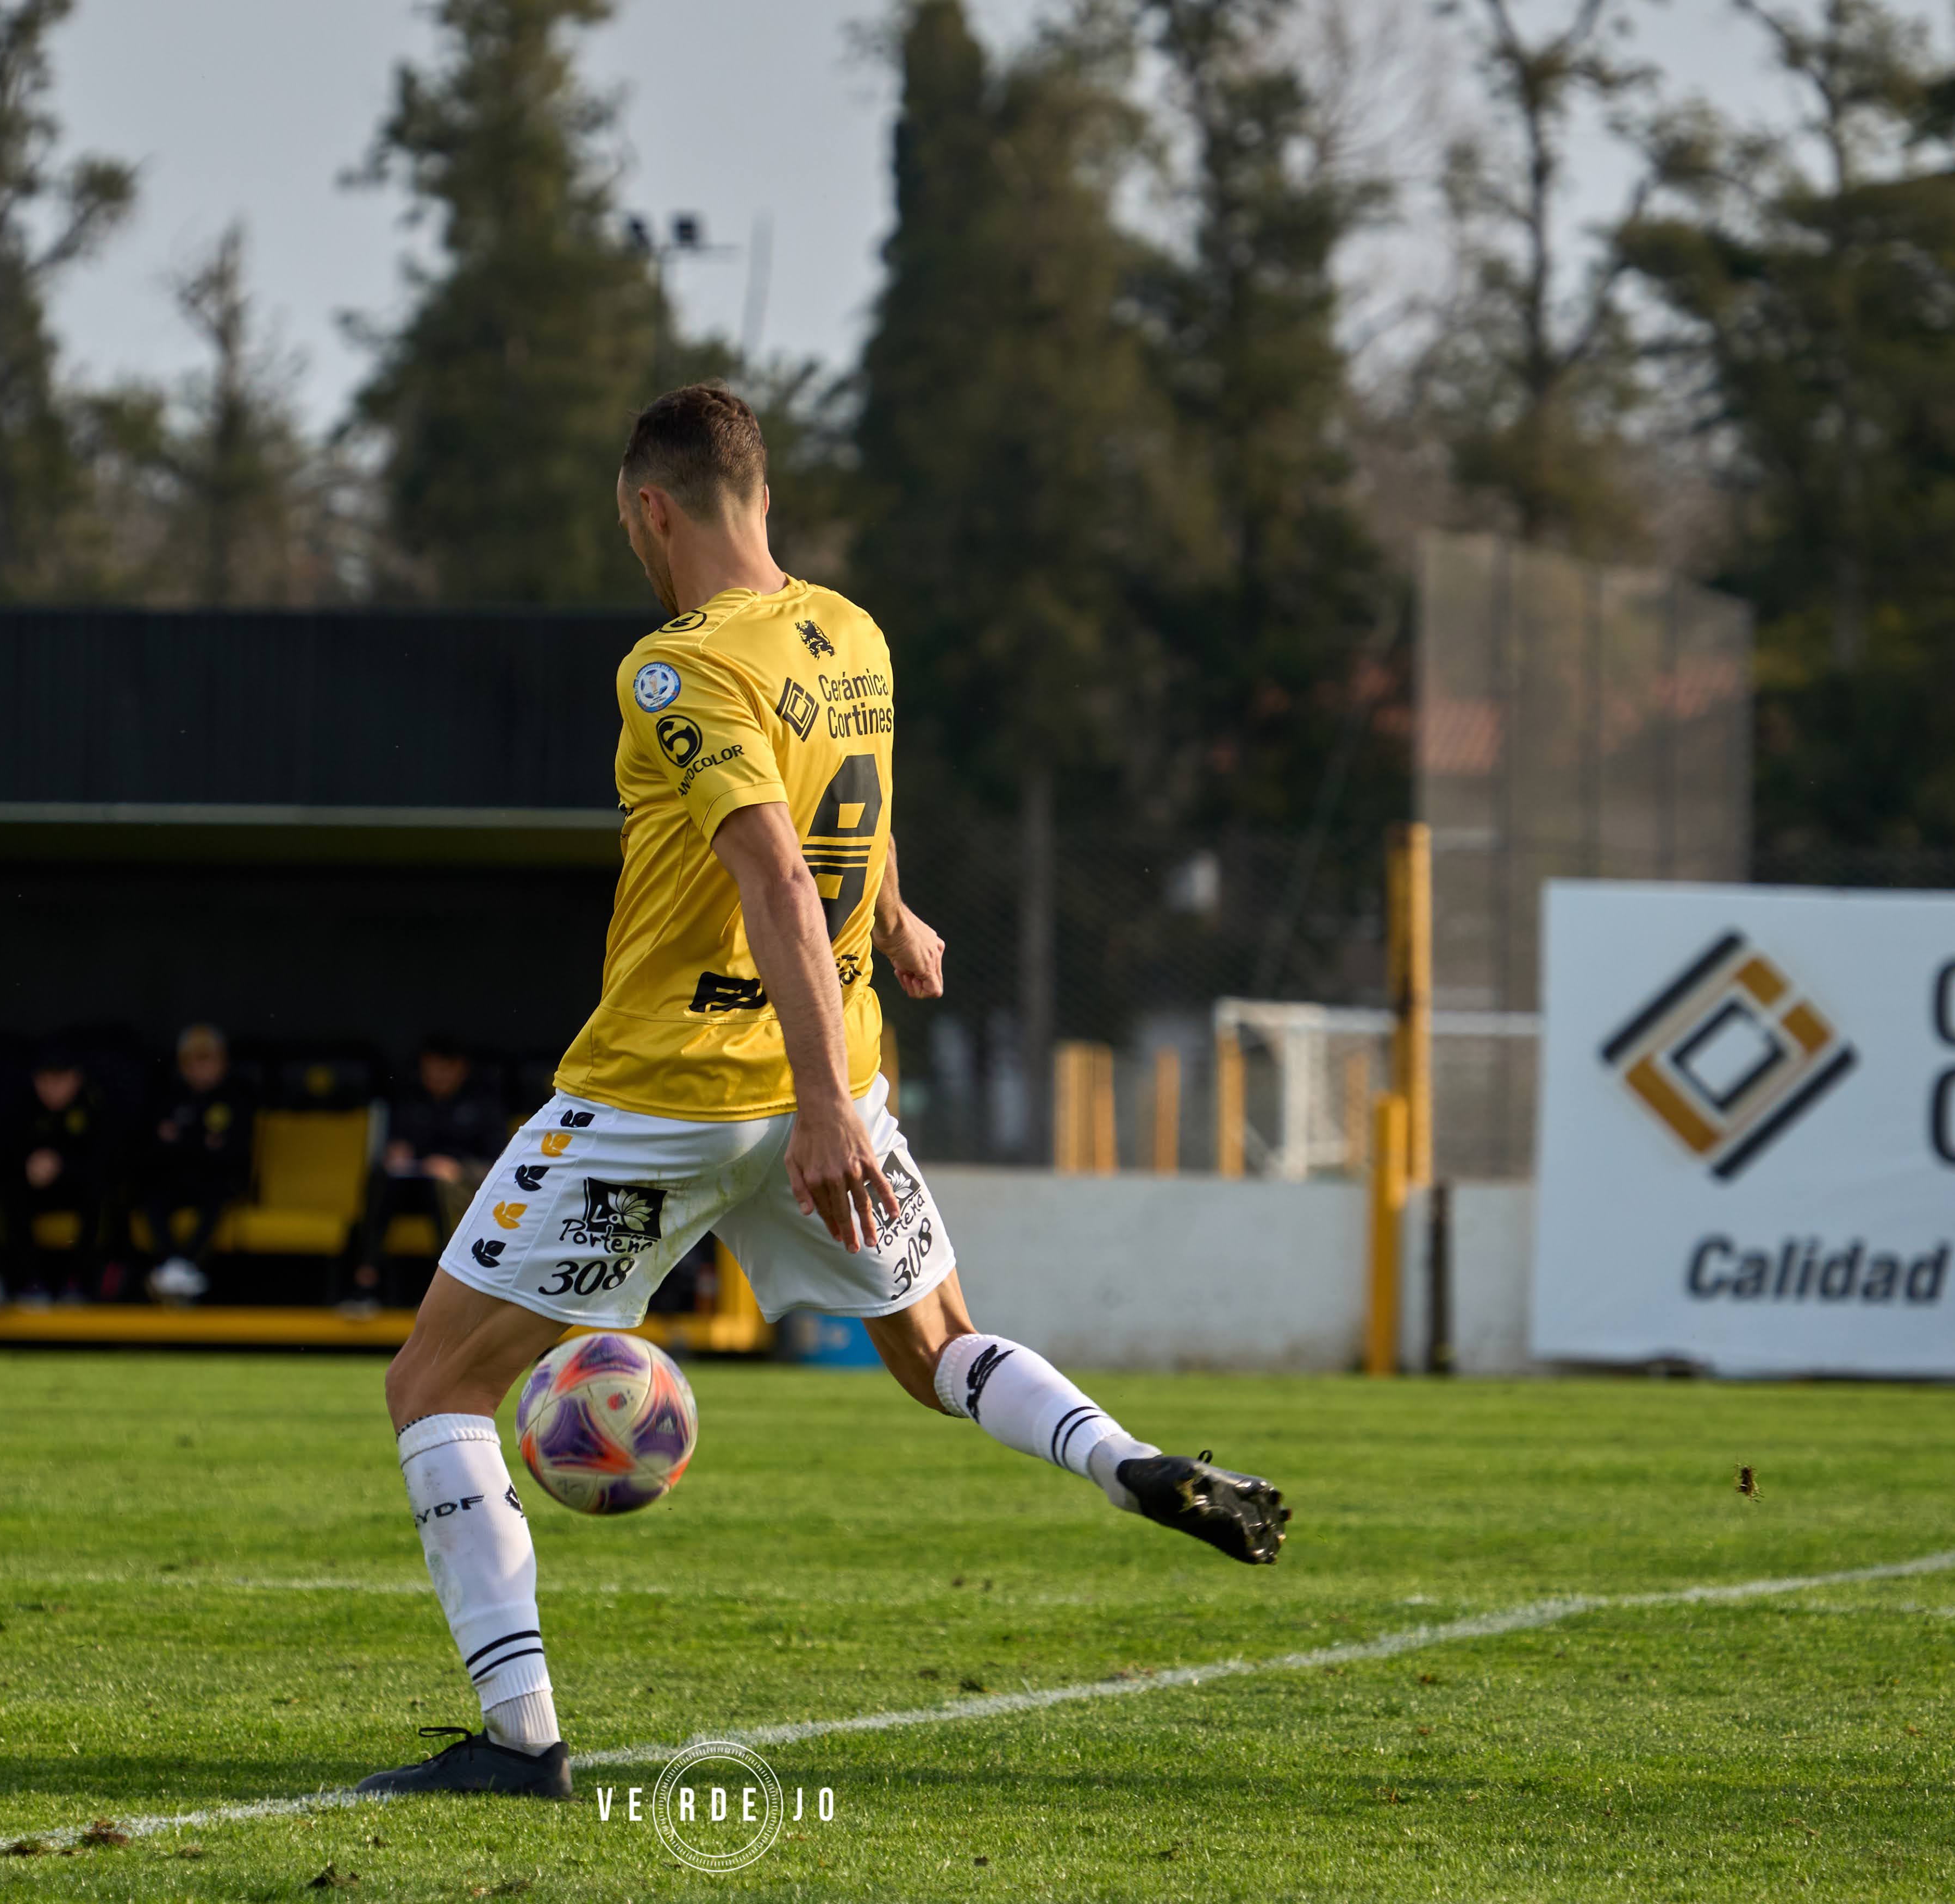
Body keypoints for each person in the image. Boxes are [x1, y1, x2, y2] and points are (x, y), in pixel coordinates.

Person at [358, 385, 1289, 1800]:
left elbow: (778, 869)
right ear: (764, 497)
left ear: (650, 510)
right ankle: (1128, 1463)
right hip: (837, 1074)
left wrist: (813, 1103)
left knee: (435, 1383)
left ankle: (518, 1739)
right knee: (937, 1351)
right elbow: (850, 812)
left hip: (671, 1097)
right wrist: (896, 928)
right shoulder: (848, 633)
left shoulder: (673, 668)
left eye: (628, 523)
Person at [344, 1034, 507, 1310]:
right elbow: (396, 1144)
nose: (436, 1076)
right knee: (381, 1180)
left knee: (442, 1190)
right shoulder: (411, 1099)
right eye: (430, 1069)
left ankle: (446, 1291)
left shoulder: (484, 1104)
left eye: (443, 1069)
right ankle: (366, 1282)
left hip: (459, 1189)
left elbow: (500, 1163)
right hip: (411, 1187)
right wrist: (398, 1153)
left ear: (460, 1068)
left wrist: (457, 1168)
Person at [141, 1023, 252, 1305]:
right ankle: (174, 1265)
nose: (200, 1069)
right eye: (193, 1062)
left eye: (207, 1060)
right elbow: (157, 1149)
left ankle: (183, 1266)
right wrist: (201, 1144)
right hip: (180, 1178)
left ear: (222, 1062)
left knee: (216, 1196)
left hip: (218, 1180)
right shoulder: (171, 1096)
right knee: (152, 1195)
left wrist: (185, 1143)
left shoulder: (236, 1098)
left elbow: (235, 1154)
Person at [1, 1044, 114, 1304]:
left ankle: (78, 1283)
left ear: (75, 1079)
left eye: (60, 1080)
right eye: (46, 1081)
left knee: (97, 1196)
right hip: (34, 1192)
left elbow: (106, 1162)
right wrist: (28, 1166)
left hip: (76, 1189)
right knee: (10, 1195)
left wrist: (61, 1166)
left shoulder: (94, 1105)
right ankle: (30, 1282)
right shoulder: (21, 1106)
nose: (53, 1089)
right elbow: (1, 1158)